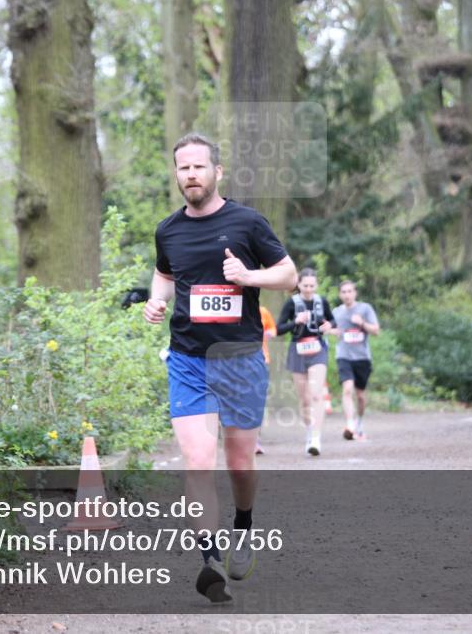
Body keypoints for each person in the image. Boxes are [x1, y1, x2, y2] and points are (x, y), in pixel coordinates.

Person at [144, 133, 297, 602]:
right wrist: (156, 300)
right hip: (188, 360)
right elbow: (166, 275)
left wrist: (249, 277)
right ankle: (209, 563)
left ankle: (244, 528)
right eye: (183, 168)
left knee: (239, 464)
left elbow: (288, 275)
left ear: (217, 172)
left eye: (199, 167)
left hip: (240, 361)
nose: (191, 175)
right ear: (176, 174)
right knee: (196, 461)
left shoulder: (248, 223)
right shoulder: (168, 230)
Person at [276, 269, 336, 456]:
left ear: (316, 285)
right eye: (305, 285)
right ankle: (310, 431)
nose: (309, 289)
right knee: (305, 399)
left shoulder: (321, 301)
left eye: (312, 285)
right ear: (299, 285)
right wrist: (295, 322)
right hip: (298, 350)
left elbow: (332, 320)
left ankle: (316, 438)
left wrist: (329, 325)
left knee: (316, 394)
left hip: (318, 349)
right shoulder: (291, 303)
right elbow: (279, 329)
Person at [330, 280, 380, 440]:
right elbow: (328, 327)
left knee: (360, 396)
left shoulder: (365, 309)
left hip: (362, 358)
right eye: (343, 292)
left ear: (355, 293)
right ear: (340, 294)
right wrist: (333, 331)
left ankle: (359, 422)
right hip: (343, 356)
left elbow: (376, 331)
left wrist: (362, 323)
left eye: (349, 291)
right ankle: (350, 425)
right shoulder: (336, 312)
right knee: (347, 389)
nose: (347, 294)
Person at [255, 306, 278, 455]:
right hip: (234, 361)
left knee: (257, 401)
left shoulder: (262, 311)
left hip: (261, 360)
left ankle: (254, 440)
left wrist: (266, 334)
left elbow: (273, 331)